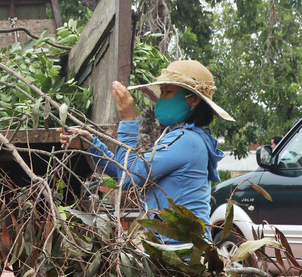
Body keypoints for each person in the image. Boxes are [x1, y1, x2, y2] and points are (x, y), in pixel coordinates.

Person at [58, 60, 233, 242]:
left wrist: (127, 120)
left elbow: (129, 178)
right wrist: (90, 145)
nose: (162, 97)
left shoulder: (187, 140)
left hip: (182, 253)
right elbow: (125, 171)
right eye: (162, 92)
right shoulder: (180, 136)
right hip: (171, 248)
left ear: (194, 99)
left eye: (169, 92)